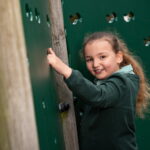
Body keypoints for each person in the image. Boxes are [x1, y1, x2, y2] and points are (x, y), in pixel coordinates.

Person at [47, 31, 150, 150]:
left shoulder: (123, 83)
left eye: (102, 57)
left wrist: (63, 69)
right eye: (89, 59)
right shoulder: (108, 84)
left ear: (118, 57)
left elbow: (98, 95)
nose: (95, 64)